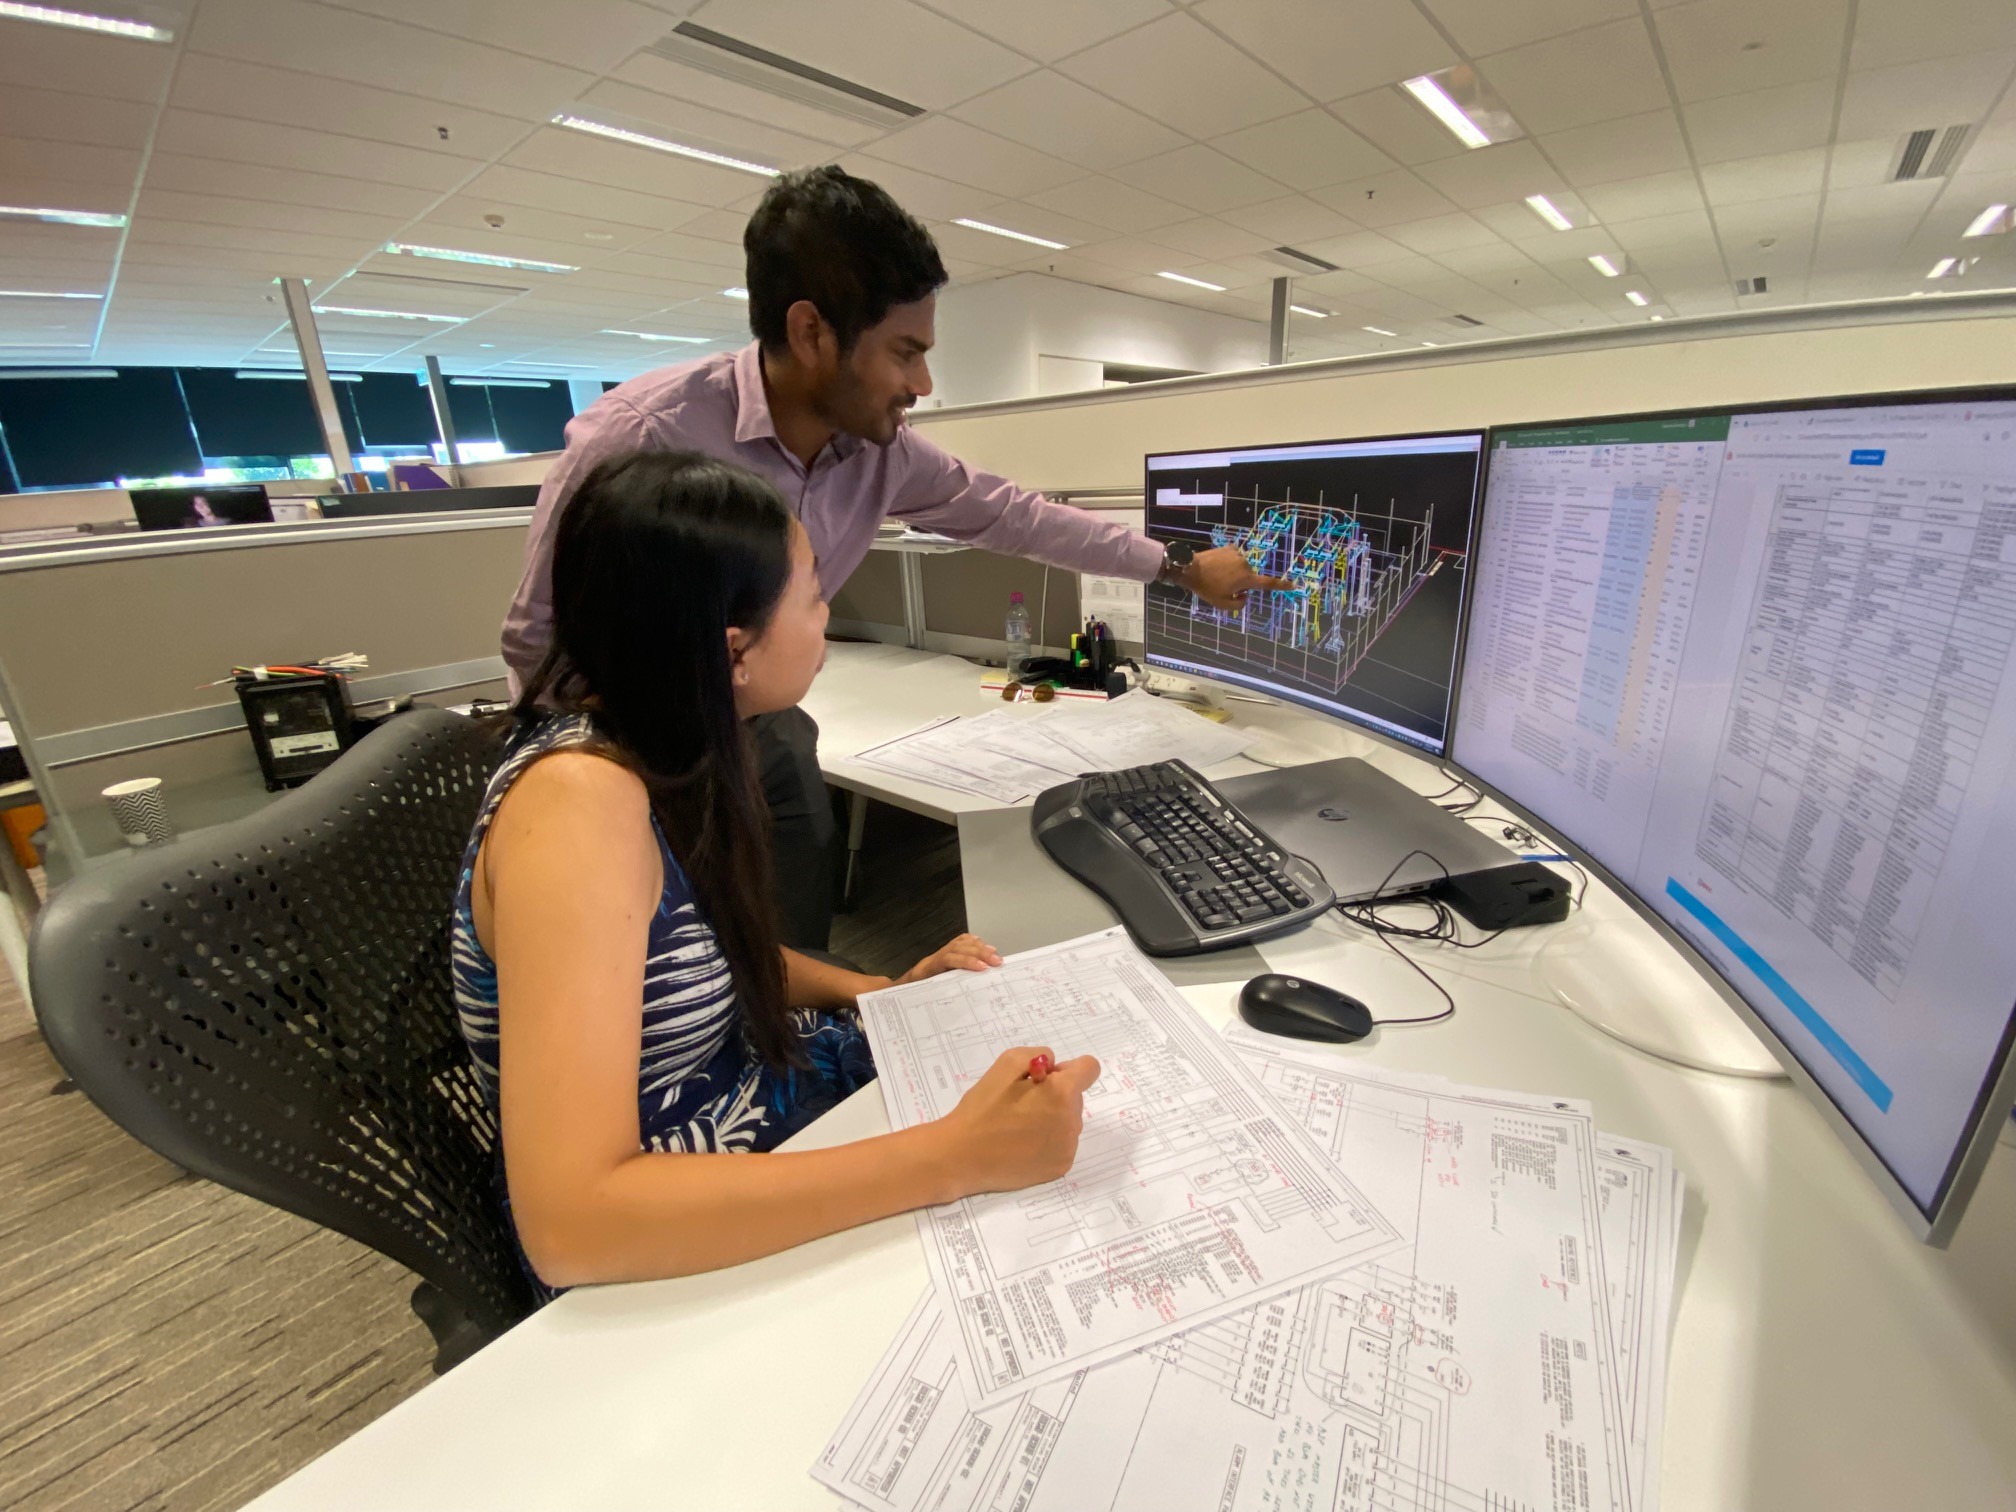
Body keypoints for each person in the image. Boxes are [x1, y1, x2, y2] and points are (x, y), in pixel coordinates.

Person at [501, 164, 1289, 948]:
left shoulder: (881, 453)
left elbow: (1017, 518)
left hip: (758, 718)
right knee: (658, 951)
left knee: (789, 902)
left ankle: (797, 1042)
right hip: (627, 743)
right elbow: (538, 638)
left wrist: (1179, 566)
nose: (923, 381)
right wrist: (600, 780)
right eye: (904, 352)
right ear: (812, 333)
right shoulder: (642, 437)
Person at [456, 449, 1100, 1294]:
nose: (829, 617)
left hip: (749, 1095)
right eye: (814, 595)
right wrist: (955, 1157)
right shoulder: (579, 811)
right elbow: (572, 1224)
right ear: (732, 653)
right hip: (662, 1219)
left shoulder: (652, 749)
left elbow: (679, 959)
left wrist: (876, 992)